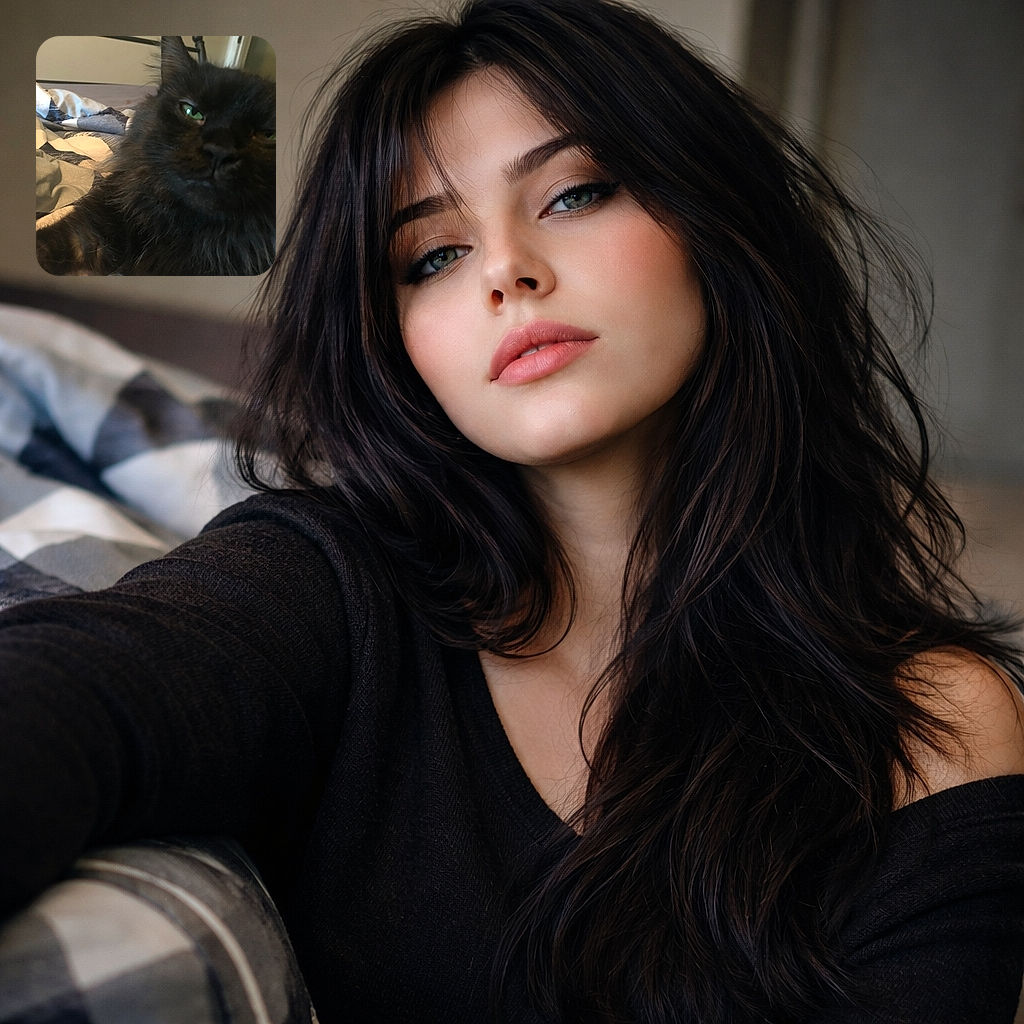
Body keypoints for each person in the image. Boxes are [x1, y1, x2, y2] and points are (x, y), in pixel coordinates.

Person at [2, 0, 1023, 1020]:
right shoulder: (329, 587)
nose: (506, 272)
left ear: (718, 219)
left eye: (573, 193)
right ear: (394, 342)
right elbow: (74, 691)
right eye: (431, 258)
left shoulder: (933, 726)